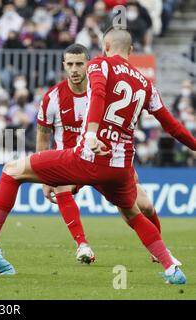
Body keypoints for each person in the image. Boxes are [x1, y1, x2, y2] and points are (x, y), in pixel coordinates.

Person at [0, 28, 196, 284]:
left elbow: (100, 93)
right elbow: (173, 126)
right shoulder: (147, 85)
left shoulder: (100, 65)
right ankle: (172, 268)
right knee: (132, 214)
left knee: (11, 171)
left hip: (89, 158)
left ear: (105, 45)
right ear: (131, 51)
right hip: (121, 166)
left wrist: (91, 135)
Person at [37, 43, 181, 265]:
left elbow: (121, 131)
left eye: (79, 64)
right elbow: (43, 134)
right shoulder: (52, 98)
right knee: (61, 186)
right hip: (71, 162)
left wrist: (128, 168)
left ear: (89, 65)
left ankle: (158, 249)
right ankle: (82, 245)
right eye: (70, 64)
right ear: (63, 66)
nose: (74, 69)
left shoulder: (103, 92)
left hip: (104, 161)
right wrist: (43, 173)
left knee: (144, 206)